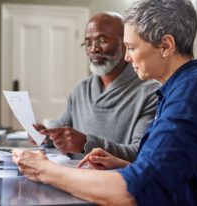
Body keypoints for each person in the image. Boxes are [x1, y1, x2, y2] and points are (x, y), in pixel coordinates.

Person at [13, 0, 197, 205]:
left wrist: (44, 170)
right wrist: (123, 165)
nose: (128, 57)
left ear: (166, 46)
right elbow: (170, 171)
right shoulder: (179, 88)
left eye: (131, 47)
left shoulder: (193, 92)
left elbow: (137, 191)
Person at [33, 12, 160, 162]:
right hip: (72, 176)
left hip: (113, 182)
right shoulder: (80, 90)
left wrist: (86, 143)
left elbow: (140, 152)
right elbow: (61, 131)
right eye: (88, 43)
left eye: (102, 40)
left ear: (125, 43)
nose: (93, 49)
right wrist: (45, 135)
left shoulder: (150, 93)